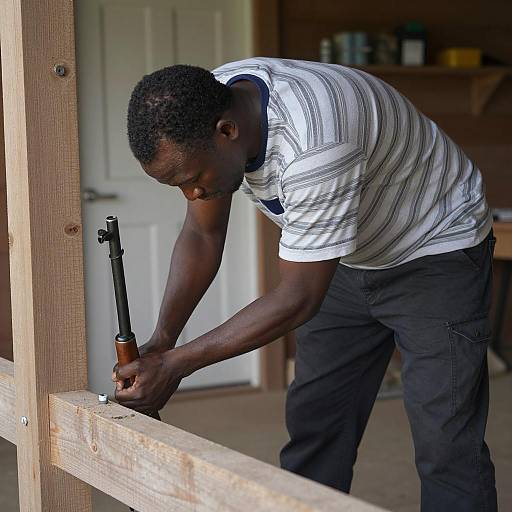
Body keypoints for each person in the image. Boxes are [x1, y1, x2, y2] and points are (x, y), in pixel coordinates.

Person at [113, 57, 497, 511]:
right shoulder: (203, 109)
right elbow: (202, 234)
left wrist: (177, 365)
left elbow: (298, 297)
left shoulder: (315, 141)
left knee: (444, 439)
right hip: (345, 255)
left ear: (227, 131)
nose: (191, 194)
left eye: (193, 179)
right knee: (317, 424)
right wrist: (162, 342)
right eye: (177, 185)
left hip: (434, 250)